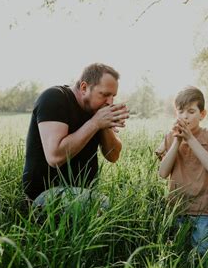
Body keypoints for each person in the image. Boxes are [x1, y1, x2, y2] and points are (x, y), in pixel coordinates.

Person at [22, 63, 130, 207]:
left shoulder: (95, 110)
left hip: (81, 192)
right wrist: (95, 123)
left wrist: (104, 125)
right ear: (84, 87)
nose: (110, 102)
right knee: (105, 205)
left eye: (113, 96)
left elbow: (113, 156)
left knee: (119, 205)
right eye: (104, 95)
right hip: (45, 194)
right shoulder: (54, 98)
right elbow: (55, 157)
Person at [155, 86, 208, 255]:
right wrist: (177, 141)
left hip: (204, 210)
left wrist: (190, 139)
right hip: (177, 208)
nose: (185, 116)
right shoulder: (169, 137)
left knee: (202, 255)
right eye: (180, 111)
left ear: (202, 114)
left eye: (191, 111)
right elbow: (163, 173)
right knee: (176, 254)